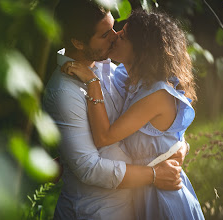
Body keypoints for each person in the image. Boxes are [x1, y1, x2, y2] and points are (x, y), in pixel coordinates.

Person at [43, 1, 188, 219]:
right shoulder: (65, 90)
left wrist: (179, 146)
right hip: (97, 210)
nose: (114, 36)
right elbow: (89, 168)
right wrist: (154, 175)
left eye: (114, 27)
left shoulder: (111, 69)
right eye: (104, 35)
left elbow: (154, 119)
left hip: (139, 202)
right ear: (78, 43)